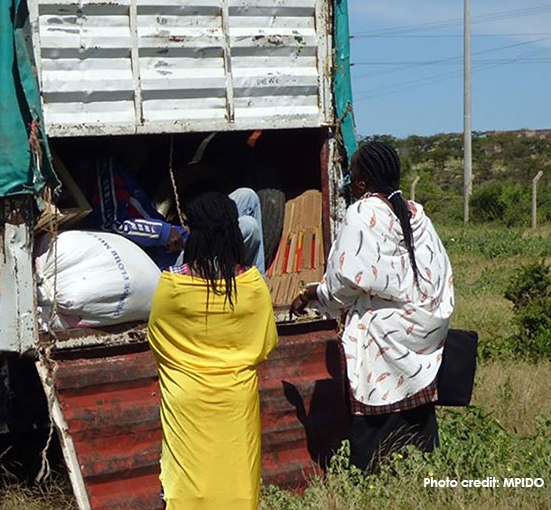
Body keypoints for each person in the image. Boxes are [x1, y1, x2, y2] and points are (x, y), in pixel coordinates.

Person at [290, 140, 454, 472]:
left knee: (374, 427)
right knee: (416, 421)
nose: (349, 182)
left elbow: (345, 281)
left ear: (362, 183)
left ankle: (371, 485)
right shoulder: (416, 214)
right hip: (416, 337)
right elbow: (439, 276)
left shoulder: (363, 213)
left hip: (380, 341)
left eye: (352, 175)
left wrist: (312, 294)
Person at [148, 192, 278, 509]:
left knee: (188, 481)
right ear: (234, 231)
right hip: (237, 398)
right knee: (236, 482)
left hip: (185, 397)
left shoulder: (171, 284)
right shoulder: (253, 285)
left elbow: (156, 339)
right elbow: (267, 344)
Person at [81, 157, 266, 274]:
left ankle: (258, 281)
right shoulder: (107, 171)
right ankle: (246, 284)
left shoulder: (126, 170)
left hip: (184, 243)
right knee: (248, 226)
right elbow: (112, 223)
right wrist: (164, 232)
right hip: (167, 262)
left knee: (247, 196)